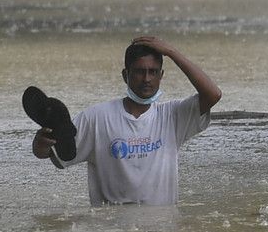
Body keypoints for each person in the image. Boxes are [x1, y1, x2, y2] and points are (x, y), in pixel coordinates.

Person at [32, 36, 222, 205]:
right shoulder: (96, 117)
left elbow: (213, 94)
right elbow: (58, 157)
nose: (147, 79)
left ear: (161, 76)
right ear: (125, 75)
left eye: (153, 72)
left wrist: (172, 52)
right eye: (139, 71)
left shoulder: (172, 116)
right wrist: (40, 146)